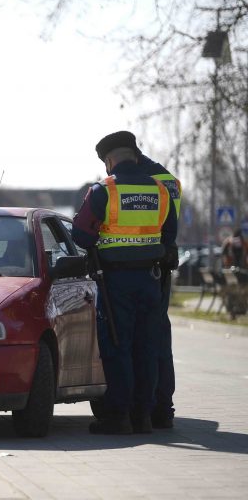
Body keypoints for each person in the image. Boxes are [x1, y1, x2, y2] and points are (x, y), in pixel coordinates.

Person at [72, 130, 178, 434]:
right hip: (151, 279)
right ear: (134, 154)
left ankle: (118, 416)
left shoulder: (104, 190)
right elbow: (170, 234)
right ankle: (143, 417)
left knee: (118, 345)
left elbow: (81, 235)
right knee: (147, 347)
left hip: (114, 281)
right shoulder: (161, 190)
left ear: (109, 160)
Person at [137, 150, 182, 430]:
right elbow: (170, 227)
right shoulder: (169, 181)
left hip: (140, 267)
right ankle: (163, 408)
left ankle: (146, 406)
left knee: (140, 340)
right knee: (160, 338)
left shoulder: (137, 182)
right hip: (160, 266)